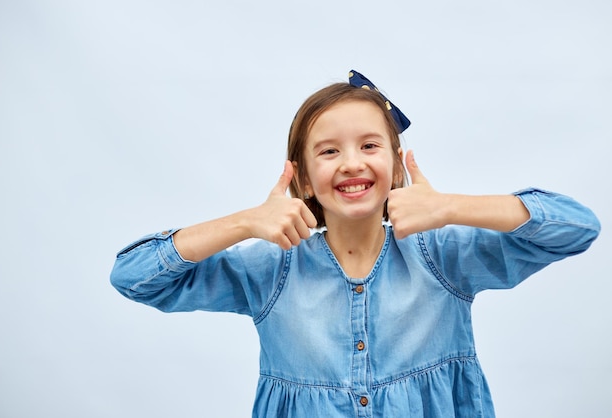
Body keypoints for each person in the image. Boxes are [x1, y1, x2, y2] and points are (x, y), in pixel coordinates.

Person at [110, 70, 600, 418]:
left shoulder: (444, 256)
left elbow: (577, 228)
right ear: (301, 177)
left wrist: (450, 207)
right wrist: (244, 223)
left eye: (369, 146)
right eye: (329, 151)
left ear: (397, 163)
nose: (351, 163)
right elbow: (132, 277)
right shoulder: (269, 269)